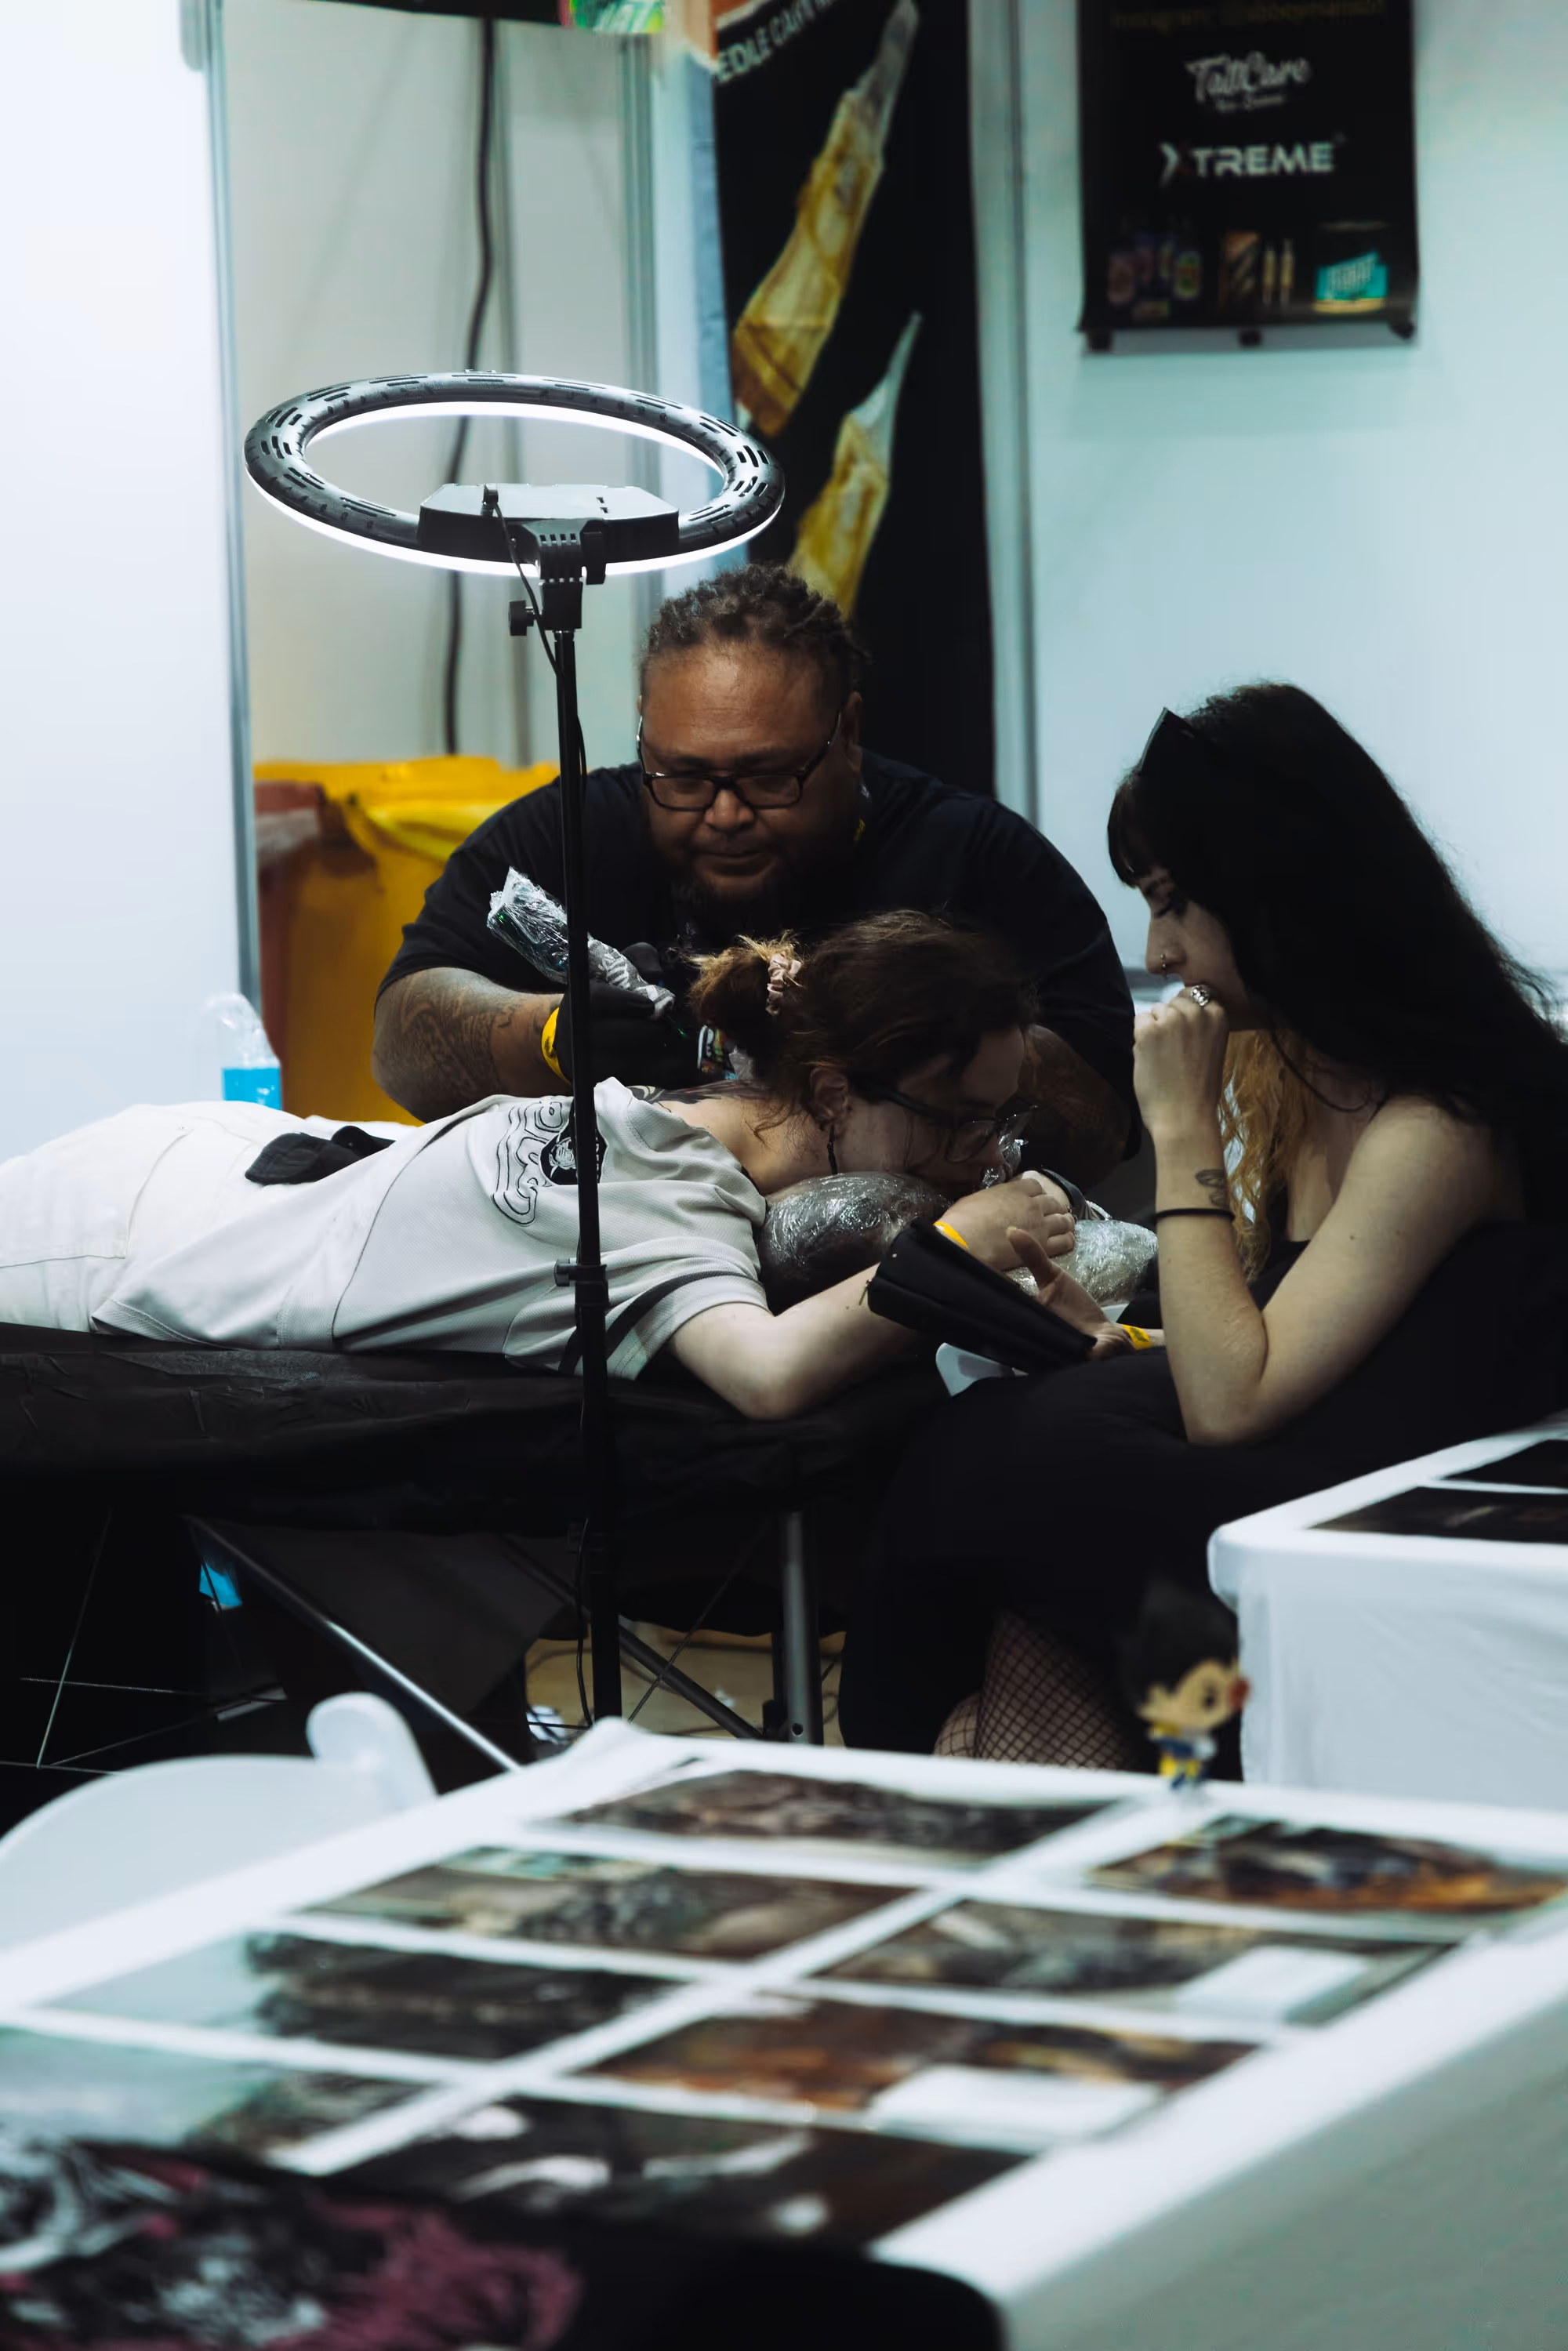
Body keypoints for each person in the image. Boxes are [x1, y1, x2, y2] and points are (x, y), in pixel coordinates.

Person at [839, 684, 1568, 1758]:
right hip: (1302, 1471)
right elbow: (1301, 1343)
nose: (1159, 946)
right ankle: (960, 1764)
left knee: (1003, 1453)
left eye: (1175, 900)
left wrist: (1176, 1126)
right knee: (1013, 1457)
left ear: (1273, 889)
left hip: (1364, 1524)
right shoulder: (1301, 1076)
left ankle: (907, 1763)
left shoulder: (1440, 1121)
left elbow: (1239, 1403)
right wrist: (1123, 1341)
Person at [0, 912, 1080, 1423]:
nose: (979, 1155)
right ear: (838, 1093)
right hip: (118, 1232)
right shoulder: (661, 1177)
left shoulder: (689, 1132)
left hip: (231, 1175)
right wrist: (960, 1242)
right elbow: (769, 1374)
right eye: (956, 1121)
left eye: (999, 1120)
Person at [372, 565, 1136, 1184]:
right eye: (684, 776)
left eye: (769, 777)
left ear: (849, 735)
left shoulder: (975, 855)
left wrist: (909, 1042)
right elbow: (403, 1039)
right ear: (645, 734)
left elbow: (1103, 1117)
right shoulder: (569, 832)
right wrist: (546, 1037)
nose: (725, 814)